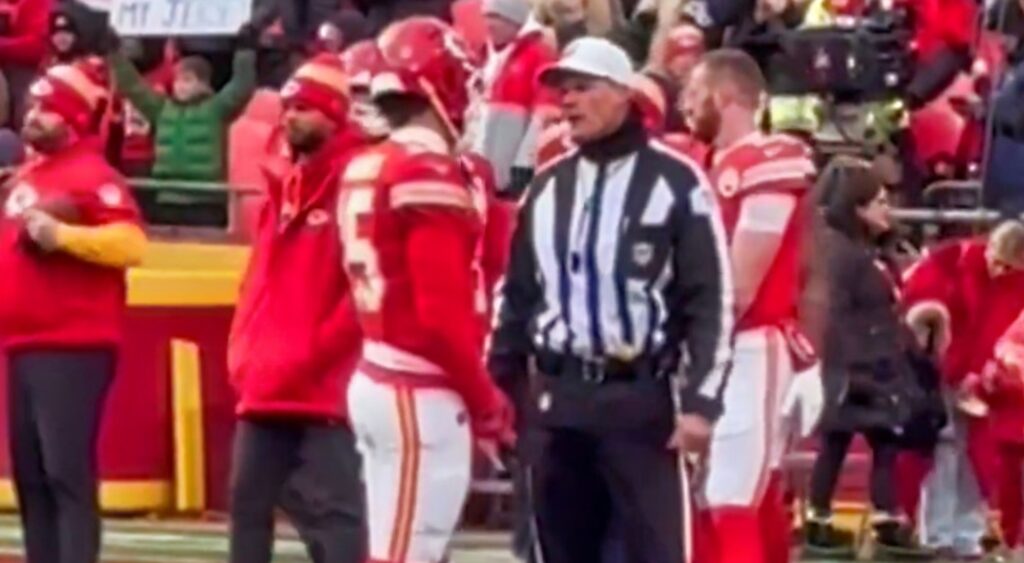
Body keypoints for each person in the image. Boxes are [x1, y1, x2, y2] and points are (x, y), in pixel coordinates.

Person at [490, 36, 734, 563]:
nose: (568, 101)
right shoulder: (548, 186)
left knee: (655, 550)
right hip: (559, 397)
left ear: (623, 94)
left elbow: (711, 297)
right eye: (562, 91)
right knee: (559, 549)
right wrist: (502, 390)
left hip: (640, 400)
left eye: (582, 88)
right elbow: (516, 294)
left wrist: (700, 405)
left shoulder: (676, 181)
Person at [338, 17, 514, 563]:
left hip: (379, 369)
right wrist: (486, 400)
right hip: (417, 384)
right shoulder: (427, 170)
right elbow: (439, 315)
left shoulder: (369, 162)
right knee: (410, 551)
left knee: (395, 545)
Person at [0, 60, 146, 563]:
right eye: (35, 103)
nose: (34, 114)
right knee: (32, 479)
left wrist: (63, 236)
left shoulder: (92, 176)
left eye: (48, 107)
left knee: (65, 474)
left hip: (71, 342)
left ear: (74, 117)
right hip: (23, 343)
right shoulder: (31, 172)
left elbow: (130, 243)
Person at [226, 54, 367, 563]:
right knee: (246, 508)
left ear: (334, 113)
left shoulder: (354, 183)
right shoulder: (283, 185)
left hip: (323, 387)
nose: (290, 118)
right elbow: (256, 282)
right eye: (288, 107)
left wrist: (314, 353)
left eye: (304, 108)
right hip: (265, 383)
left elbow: (361, 288)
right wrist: (244, 351)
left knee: (336, 520)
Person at [680, 48, 817, 563]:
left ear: (726, 95)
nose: (686, 107)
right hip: (712, 348)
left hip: (747, 345)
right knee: (716, 499)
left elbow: (740, 282)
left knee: (732, 495)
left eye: (694, 95)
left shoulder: (766, 158)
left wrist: (695, 341)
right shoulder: (702, 164)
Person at [803, 156, 932, 559]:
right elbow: (833, 314)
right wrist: (853, 369)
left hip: (868, 364)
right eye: (879, 202)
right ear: (856, 208)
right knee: (870, 443)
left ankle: (834, 520)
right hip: (860, 368)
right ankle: (876, 524)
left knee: (852, 444)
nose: (887, 209)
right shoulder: (844, 256)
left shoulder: (863, 251)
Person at [900, 221, 1024, 559]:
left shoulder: (1019, 287)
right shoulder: (953, 260)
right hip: (941, 376)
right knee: (944, 453)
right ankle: (937, 535)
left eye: (1009, 268)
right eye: (996, 260)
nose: (998, 271)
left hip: (986, 386)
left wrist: (986, 377)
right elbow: (919, 300)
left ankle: (967, 536)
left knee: (977, 461)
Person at [105, 23, 257, 226]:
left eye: (187, 80)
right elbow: (133, 86)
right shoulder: (161, 109)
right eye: (177, 80)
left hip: (207, 202)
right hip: (165, 199)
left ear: (204, 83)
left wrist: (245, 51)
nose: (180, 86)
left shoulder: (217, 109)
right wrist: (112, 52)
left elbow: (242, 85)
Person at [470, 0, 556, 197]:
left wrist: (525, 164)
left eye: (497, 17)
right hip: (483, 173)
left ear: (515, 20)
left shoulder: (538, 55)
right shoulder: (487, 55)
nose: (489, 24)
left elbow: (544, 115)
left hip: (512, 177)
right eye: (487, 16)